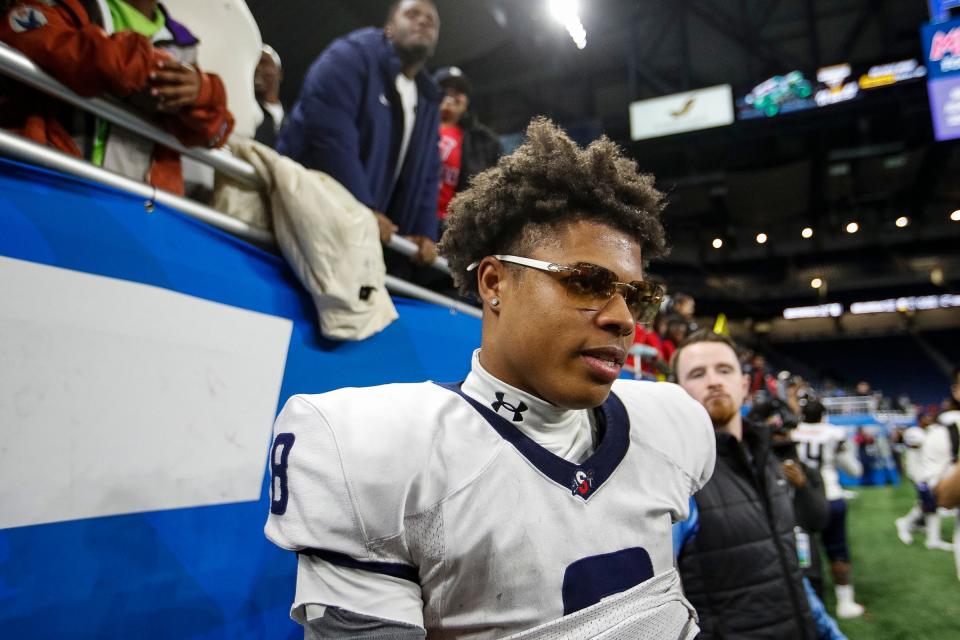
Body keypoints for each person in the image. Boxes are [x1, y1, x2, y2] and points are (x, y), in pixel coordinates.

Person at [264, 118, 716, 639]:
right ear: (494, 282)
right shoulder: (377, 449)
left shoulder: (672, 422)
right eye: (587, 282)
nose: (623, 319)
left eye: (636, 296)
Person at [0, 0, 234, 196]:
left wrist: (201, 92)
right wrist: (144, 67)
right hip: (51, 183)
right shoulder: (69, 5)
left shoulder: (183, 42)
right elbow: (30, 36)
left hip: (137, 209)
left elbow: (216, 132)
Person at [277, 0, 442, 273]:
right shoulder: (351, 54)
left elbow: (427, 174)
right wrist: (362, 207)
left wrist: (422, 232)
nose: (423, 21)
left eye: (431, 20)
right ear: (389, 27)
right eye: (412, 14)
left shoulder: (428, 99)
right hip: (304, 223)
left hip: (361, 244)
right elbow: (329, 133)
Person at [673, 330, 816, 639]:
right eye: (697, 374)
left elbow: (788, 561)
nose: (713, 381)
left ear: (744, 385)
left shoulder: (768, 457)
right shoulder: (674, 478)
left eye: (724, 370)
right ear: (677, 392)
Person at [793, 399, 867, 618]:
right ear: (824, 415)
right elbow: (853, 470)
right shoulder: (834, 433)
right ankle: (845, 603)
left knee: (802, 553)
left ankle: (807, 602)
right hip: (830, 494)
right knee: (837, 550)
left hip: (800, 498)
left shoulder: (793, 432)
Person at [433, 66, 501, 234]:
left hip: (452, 231)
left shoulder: (482, 141)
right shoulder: (414, 126)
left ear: (466, 102)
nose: (452, 94)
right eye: (445, 89)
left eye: (459, 91)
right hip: (409, 221)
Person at [253, 44, 284, 148]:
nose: (257, 68)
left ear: (279, 74)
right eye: (254, 63)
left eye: (263, 62)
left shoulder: (291, 121)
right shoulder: (245, 109)